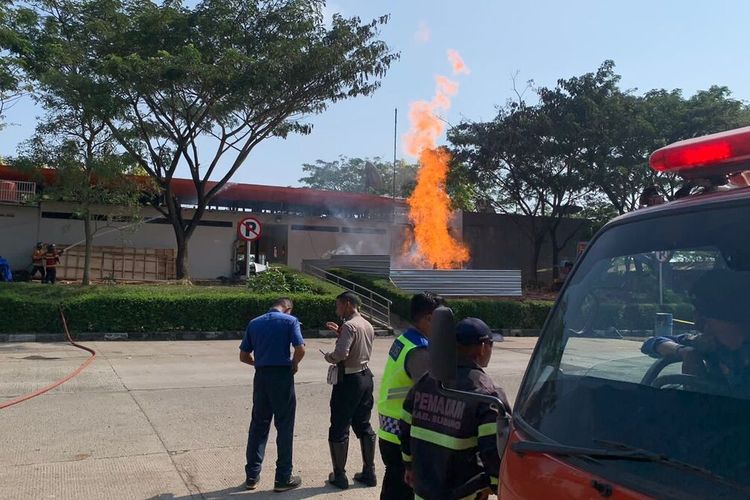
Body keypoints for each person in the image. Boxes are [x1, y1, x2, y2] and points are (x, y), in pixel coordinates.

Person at [400, 318, 511, 500]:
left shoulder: (426, 381)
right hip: (463, 494)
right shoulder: (488, 393)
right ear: (483, 347)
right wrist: (495, 485)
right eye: (491, 344)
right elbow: (494, 450)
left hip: (424, 492)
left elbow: (404, 428)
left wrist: (409, 465)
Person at [377, 292, 445, 500]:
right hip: (404, 433)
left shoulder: (405, 339)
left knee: (394, 486)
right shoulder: (419, 350)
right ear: (429, 318)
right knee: (404, 491)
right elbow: (431, 394)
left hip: (390, 428)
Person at [641, 269, 750, 396]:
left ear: (737, 316)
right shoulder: (712, 345)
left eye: (706, 317)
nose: (699, 326)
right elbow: (651, 343)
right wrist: (684, 351)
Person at [239, 297, 305, 492]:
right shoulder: (290, 321)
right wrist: (294, 364)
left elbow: (243, 356)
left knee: (258, 426)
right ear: (288, 309)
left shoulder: (254, 322)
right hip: (282, 377)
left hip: (261, 377)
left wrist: (259, 364)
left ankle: (252, 476)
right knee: (284, 426)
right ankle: (283, 478)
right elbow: (300, 349)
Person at [322, 291, 376, 490]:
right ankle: (369, 471)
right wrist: (340, 332)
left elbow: (341, 353)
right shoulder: (366, 324)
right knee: (363, 424)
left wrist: (329, 357)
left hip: (349, 380)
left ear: (347, 304)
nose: (337, 310)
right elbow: (358, 346)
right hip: (365, 377)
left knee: (339, 425)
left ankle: (340, 476)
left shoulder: (349, 326)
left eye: (338, 306)